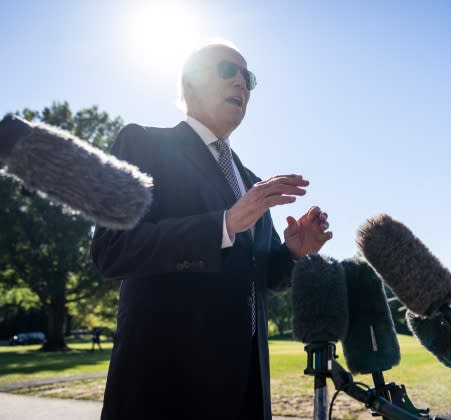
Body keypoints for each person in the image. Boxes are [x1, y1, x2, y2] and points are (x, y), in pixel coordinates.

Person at [90, 40, 332, 420]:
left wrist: (292, 254)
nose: (241, 83)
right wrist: (223, 225)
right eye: (227, 71)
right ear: (189, 84)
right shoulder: (142, 144)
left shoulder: (250, 181)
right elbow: (112, 250)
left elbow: (264, 279)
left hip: (247, 392)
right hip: (166, 391)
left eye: (248, 77)